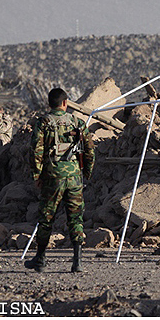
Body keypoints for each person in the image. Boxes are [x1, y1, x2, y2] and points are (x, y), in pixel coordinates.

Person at [25, 88, 95, 273]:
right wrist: (86, 172)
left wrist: (37, 175)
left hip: (52, 177)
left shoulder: (43, 122)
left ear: (50, 104)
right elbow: (89, 150)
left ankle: (40, 259)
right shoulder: (77, 122)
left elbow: (35, 151)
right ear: (65, 103)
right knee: (75, 217)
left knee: (46, 217)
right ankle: (77, 261)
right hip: (74, 178)